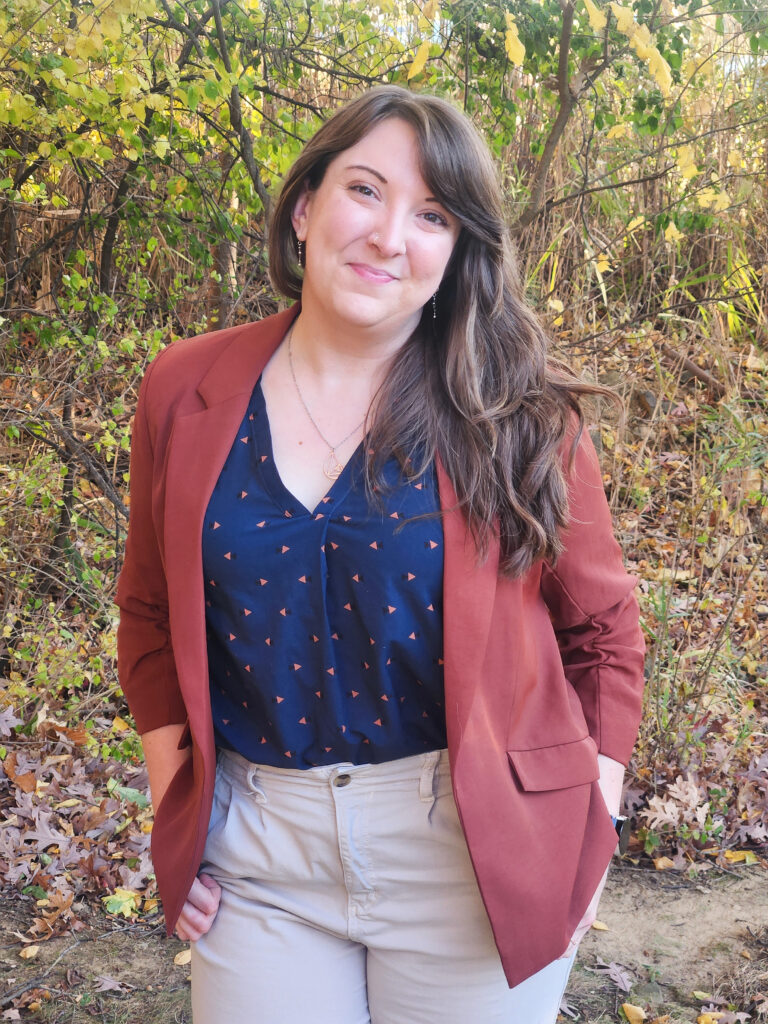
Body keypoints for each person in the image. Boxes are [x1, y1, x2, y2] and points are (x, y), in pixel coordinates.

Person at [116, 85, 645, 1024]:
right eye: (365, 190)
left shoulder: (519, 417)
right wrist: (180, 808)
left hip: (470, 853)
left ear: (457, 251)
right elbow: (150, 615)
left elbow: (603, 633)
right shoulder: (183, 388)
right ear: (307, 204)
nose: (390, 234)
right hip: (259, 857)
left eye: (432, 214)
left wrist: (591, 826)